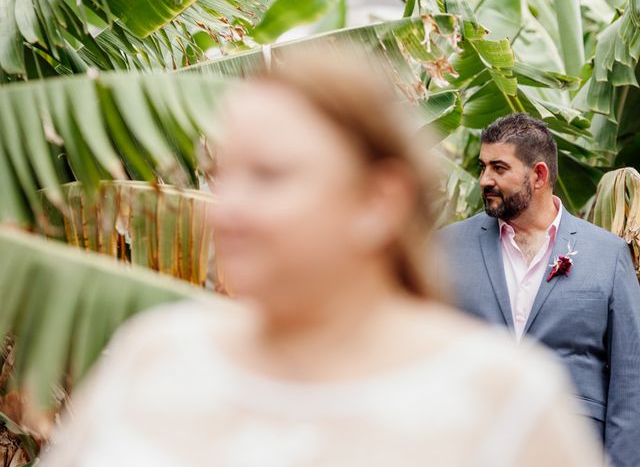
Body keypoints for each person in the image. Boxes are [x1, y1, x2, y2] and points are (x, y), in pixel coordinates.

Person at [43, 52, 602, 466]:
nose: (225, 210)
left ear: (377, 201)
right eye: (222, 177)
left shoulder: (507, 402)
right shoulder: (152, 356)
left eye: (269, 176)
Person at [440, 113, 640, 467]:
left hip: (572, 451)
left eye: (499, 168)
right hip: (470, 445)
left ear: (539, 175)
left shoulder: (606, 254)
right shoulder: (449, 246)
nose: (485, 179)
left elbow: (630, 375)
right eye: (482, 166)